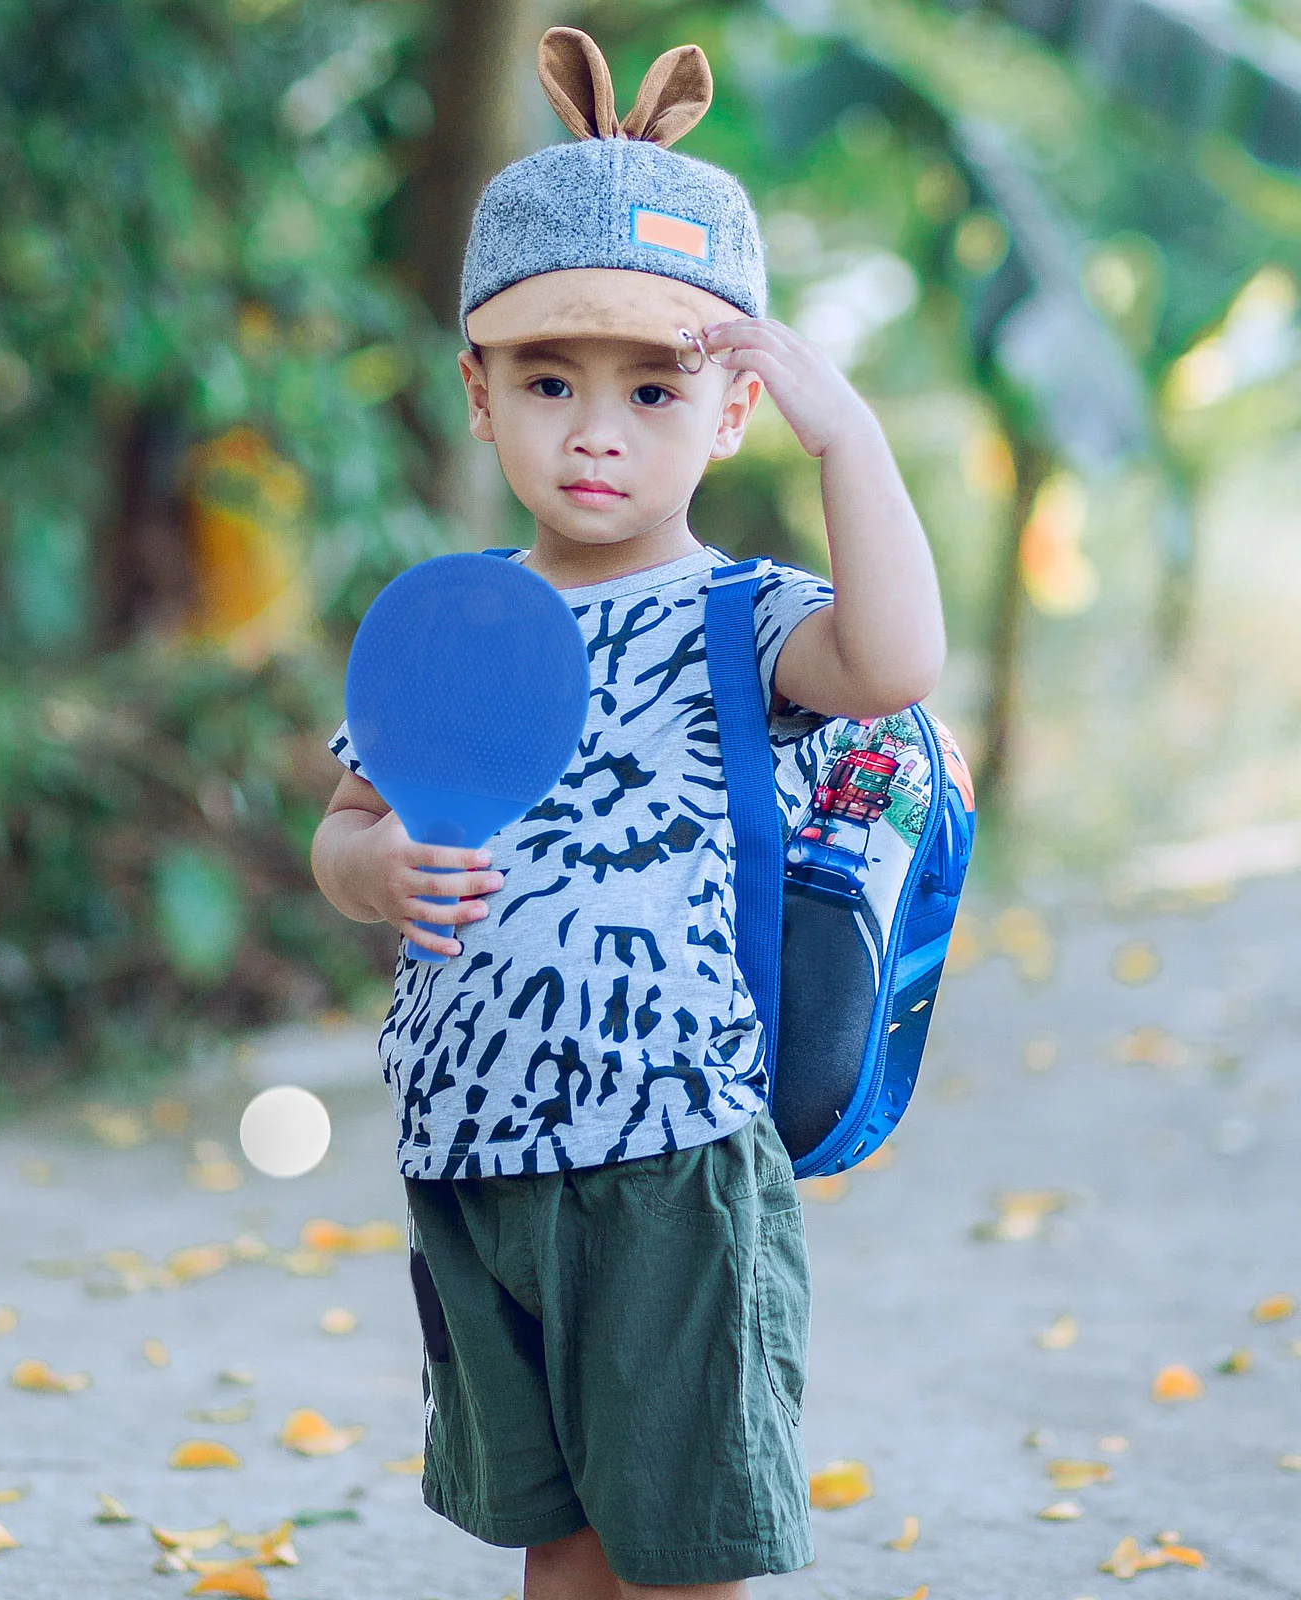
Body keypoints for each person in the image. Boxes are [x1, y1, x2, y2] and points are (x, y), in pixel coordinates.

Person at [310, 26, 944, 1600]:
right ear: (478, 392)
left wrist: (847, 433)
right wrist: (374, 871)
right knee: (561, 1541)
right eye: (548, 380)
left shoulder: (747, 618)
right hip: (472, 1152)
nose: (597, 430)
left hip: (669, 1154)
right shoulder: (447, 622)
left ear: (727, 411)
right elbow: (342, 826)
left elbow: (896, 661)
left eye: (655, 387)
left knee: (681, 1547)